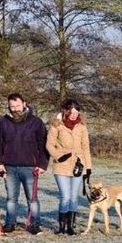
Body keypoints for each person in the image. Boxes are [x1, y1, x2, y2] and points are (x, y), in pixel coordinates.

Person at [0, 93, 49, 235]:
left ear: (24, 103)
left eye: (17, 106)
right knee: (11, 198)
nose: (15, 109)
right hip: (9, 167)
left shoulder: (36, 122)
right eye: (12, 107)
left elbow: (43, 145)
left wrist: (42, 165)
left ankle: (35, 224)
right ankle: (10, 223)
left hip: (30, 167)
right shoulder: (2, 122)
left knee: (32, 199)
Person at [46, 98, 93, 235]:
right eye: (72, 112)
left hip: (78, 164)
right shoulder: (56, 125)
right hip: (61, 165)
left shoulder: (82, 126)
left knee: (74, 197)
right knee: (65, 196)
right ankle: (61, 227)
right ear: (66, 111)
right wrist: (58, 155)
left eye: (77, 112)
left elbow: (86, 147)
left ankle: (70, 227)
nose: (75, 115)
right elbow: (49, 144)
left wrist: (88, 167)